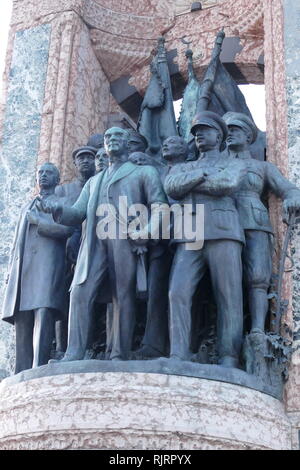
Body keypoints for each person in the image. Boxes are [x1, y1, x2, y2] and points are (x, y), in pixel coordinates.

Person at [38, 127, 168, 361]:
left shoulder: (144, 172)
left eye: (118, 136)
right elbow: (77, 213)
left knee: (122, 295)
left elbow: (159, 205)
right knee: (79, 292)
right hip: (94, 242)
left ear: (128, 144)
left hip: (125, 239)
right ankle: (74, 352)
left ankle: (119, 353)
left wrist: (147, 231)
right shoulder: (94, 181)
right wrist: (56, 208)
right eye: (108, 137)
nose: (112, 140)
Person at [164, 111, 248, 368]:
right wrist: (202, 176)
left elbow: (227, 184)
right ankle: (178, 353)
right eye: (196, 132)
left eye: (205, 130)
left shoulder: (235, 162)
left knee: (228, 296)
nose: (198, 134)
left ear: (219, 135)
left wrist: (192, 181)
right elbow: (172, 187)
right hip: (190, 235)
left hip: (223, 231)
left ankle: (228, 358)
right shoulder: (185, 165)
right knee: (177, 292)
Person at [223, 111, 300, 333]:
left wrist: (293, 197)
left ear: (248, 136)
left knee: (258, 276)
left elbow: (289, 189)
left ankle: (257, 331)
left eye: (234, 130)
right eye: (226, 130)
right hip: (224, 224)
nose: (229, 134)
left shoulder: (262, 167)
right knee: (224, 280)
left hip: (254, 222)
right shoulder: (215, 163)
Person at [2, 163, 73, 373]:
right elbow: (16, 241)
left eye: (49, 173)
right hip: (23, 269)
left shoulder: (64, 202)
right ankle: (21, 370)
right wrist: (9, 273)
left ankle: (38, 366)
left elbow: (68, 229)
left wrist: (40, 221)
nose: (43, 176)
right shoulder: (27, 205)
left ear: (58, 179)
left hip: (48, 265)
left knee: (44, 310)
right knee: (22, 317)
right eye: (40, 172)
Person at [54, 146, 97, 356]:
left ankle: (90, 345)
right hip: (67, 248)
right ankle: (61, 348)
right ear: (75, 164)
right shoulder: (63, 190)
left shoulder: (100, 183)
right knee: (64, 297)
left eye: (90, 157)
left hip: (94, 245)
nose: (86, 162)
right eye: (81, 158)